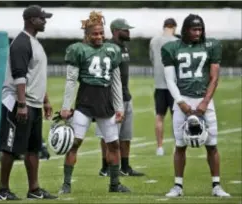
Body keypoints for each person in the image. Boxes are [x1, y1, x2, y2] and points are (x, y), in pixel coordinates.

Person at [58, 11, 131, 193]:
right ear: (87, 35)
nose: (99, 36)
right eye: (95, 34)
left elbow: (116, 81)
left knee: (113, 144)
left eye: (101, 33)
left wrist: (119, 107)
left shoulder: (112, 50)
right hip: (85, 102)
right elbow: (71, 80)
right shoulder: (78, 50)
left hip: (106, 104)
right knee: (74, 143)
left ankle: (114, 184)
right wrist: (66, 107)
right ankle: (66, 184)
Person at [161, 14, 230, 197]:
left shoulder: (211, 45)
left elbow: (214, 78)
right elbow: (170, 80)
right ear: (185, 29)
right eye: (194, 29)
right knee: (180, 144)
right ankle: (178, 186)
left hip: (204, 99)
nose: (198, 32)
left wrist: (205, 102)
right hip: (182, 98)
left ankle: (216, 185)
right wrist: (181, 102)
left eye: (200, 29)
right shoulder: (171, 48)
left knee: (212, 144)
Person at [0, 5, 57, 200]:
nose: (45, 21)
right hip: (18, 102)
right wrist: (21, 104)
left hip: (34, 103)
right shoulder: (21, 42)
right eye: (42, 18)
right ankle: (2, 190)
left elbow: (36, 76)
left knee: (33, 147)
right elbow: (19, 75)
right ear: (31, 20)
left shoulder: (35, 42)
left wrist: (45, 101)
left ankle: (34, 189)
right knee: (10, 146)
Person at [96, 18, 144, 177]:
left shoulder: (124, 48)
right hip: (110, 97)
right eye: (125, 29)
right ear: (116, 31)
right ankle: (105, 167)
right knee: (108, 135)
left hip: (126, 96)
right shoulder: (107, 48)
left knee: (125, 135)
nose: (129, 32)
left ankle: (125, 166)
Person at [149, 18, 178, 156]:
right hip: (173, 85)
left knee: (159, 116)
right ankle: (177, 145)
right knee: (176, 117)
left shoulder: (154, 41)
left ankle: (159, 147)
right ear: (174, 27)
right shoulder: (177, 42)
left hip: (159, 84)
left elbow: (152, 59)